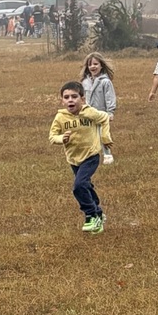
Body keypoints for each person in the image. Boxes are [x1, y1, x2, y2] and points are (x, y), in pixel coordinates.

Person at [48, 81, 113, 234]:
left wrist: (105, 138)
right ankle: (99, 213)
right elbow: (52, 136)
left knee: (79, 186)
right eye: (66, 97)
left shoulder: (89, 112)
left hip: (91, 155)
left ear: (82, 99)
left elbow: (104, 118)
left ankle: (91, 214)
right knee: (86, 185)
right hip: (73, 158)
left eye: (74, 96)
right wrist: (61, 138)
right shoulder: (60, 118)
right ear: (62, 101)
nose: (70, 100)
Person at [81, 52, 117, 164]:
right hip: (88, 113)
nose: (93, 67)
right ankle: (90, 156)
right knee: (89, 135)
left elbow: (110, 97)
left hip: (102, 114)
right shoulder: (84, 82)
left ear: (101, 65)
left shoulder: (105, 82)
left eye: (96, 64)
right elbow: (81, 97)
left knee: (103, 135)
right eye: (90, 64)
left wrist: (110, 112)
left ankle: (107, 154)